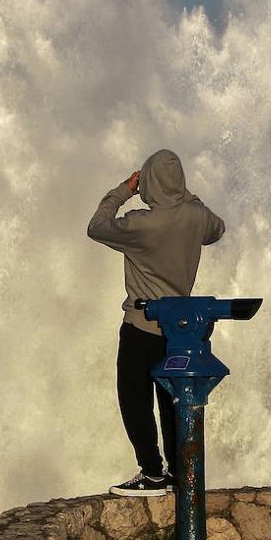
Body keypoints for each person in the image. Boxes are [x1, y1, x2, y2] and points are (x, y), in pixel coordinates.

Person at [87, 149, 226, 496]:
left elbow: (96, 226)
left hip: (140, 326)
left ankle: (152, 473)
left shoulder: (140, 224)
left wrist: (124, 189)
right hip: (180, 331)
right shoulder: (196, 218)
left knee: (135, 401)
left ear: (148, 182)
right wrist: (182, 195)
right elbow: (218, 228)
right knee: (172, 403)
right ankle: (180, 473)